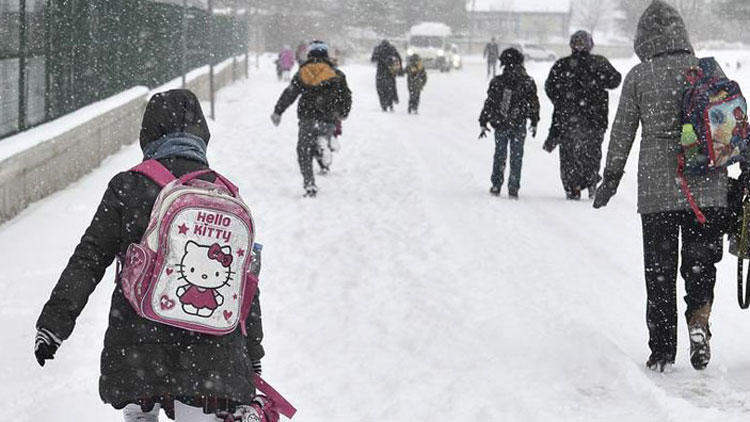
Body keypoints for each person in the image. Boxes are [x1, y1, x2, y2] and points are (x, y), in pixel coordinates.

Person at [33, 89, 266, 421]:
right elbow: (245, 285)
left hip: (137, 346)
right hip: (211, 355)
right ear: (201, 134)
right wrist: (252, 352)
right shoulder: (224, 193)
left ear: (149, 133)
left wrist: (54, 324)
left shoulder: (128, 186)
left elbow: (89, 258)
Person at [593, 0, 727, 372]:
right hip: (707, 187)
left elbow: (622, 133)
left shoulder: (639, 75)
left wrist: (610, 179)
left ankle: (662, 351)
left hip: (658, 192)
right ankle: (699, 323)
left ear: (643, 38)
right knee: (700, 265)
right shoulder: (703, 71)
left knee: (660, 272)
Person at [544, 30, 621, 200]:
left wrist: (561, 101)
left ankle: (573, 186)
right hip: (595, 118)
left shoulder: (562, 65)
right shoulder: (599, 63)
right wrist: (599, 82)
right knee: (591, 153)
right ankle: (590, 181)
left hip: (568, 118)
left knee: (569, 155)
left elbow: (550, 87)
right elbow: (615, 80)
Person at [271, 41, 352, 197]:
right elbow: (346, 96)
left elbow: (290, 93)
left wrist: (278, 111)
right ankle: (325, 145)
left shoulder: (303, 72)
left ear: (309, 54)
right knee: (321, 138)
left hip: (308, 117)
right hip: (328, 118)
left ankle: (309, 184)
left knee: (304, 150)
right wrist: (343, 112)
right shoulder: (337, 74)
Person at [479, 48, 539, 198]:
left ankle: (496, 184)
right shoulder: (527, 82)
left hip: (501, 123)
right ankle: (513, 186)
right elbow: (533, 103)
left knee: (500, 154)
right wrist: (534, 120)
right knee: (516, 156)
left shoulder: (498, 81)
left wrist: (484, 120)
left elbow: (490, 103)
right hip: (519, 123)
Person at [371, 39, 402, 112]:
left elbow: (373, 59)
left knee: (380, 89)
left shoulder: (378, 49)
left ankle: (383, 105)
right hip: (390, 72)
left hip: (380, 72)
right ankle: (391, 103)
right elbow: (399, 58)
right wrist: (400, 70)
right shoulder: (392, 48)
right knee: (390, 88)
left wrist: (380, 58)